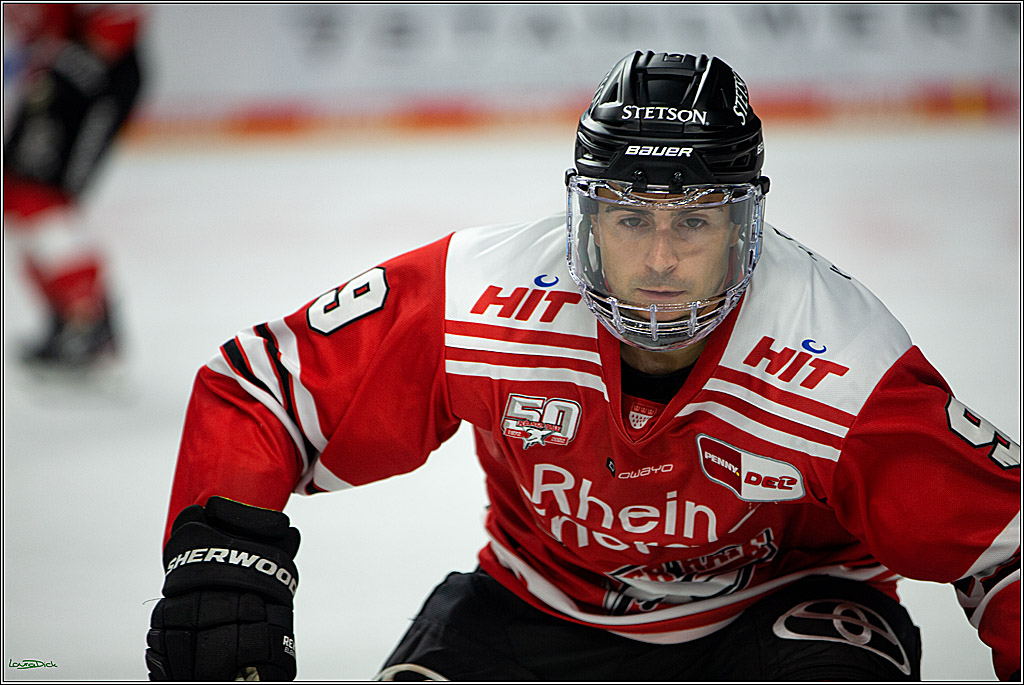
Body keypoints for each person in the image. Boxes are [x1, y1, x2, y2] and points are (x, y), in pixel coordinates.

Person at [145, 52, 1020, 681]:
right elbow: (260, 391)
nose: (662, 259)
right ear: (583, 218)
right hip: (539, 607)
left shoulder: (840, 361)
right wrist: (223, 557)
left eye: (695, 220)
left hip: (784, 620)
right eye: (631, 218)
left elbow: (1005, 547)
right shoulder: (479, 295)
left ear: (746, 229)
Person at [3, 4, 144, 371]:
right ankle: (68, 316)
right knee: (18, 199)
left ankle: (87, 319)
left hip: (88, 91)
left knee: (47, 202)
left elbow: (111, 38)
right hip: (56, 84)